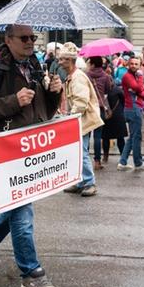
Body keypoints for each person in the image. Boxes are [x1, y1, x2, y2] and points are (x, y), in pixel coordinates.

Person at [0, 24, 62, 287]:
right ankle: (31, 273)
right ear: (8, 40)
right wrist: (13, 101)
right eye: (24, 38)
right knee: (22, 210)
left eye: (33, 37)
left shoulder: (36, 67)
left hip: (32, 151)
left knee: (14, 205)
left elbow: (45, 110)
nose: (31, 42)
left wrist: (54, 92)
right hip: (5, 152)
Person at [59, 43, 103, 197]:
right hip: (78, 120)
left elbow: (81, 103)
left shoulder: (77, 77)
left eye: (63, 59)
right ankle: (80, 182)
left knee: (81, 152)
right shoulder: (73, 76)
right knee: (77, 152)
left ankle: (89, 183)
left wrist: (70, 117)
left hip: (80, 121)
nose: (59, 62)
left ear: (70, 61)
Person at [117, 55, 144, 171]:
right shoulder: (128, 76)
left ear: (140, 65)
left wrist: (140, 91)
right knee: (137, 137)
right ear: (128, 64)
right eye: (132, 64)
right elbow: (137, 88)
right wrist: (141, 80)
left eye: (136, 64)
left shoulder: (133, 76)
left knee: (132, 137)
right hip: (133, 109)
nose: (134, 66)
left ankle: (123, 162)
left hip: (133, 108)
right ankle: (138, 163)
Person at [86, 56, 113, 170]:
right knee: (98, 136)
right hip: (100, 107)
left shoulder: (85, 75)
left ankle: (85, 160)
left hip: (88, 107)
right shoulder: (105, 76)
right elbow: (108, 90)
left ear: (92, 64)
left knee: (86, 135)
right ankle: (97, 161)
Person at [102, 83, 127, 164]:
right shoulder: (118, 90)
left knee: (105, 137)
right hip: (118, 115)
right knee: (120, 138)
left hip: (106, 116)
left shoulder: (102, 91)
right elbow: (123, 100)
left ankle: (105, 157)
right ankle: (123, 156)